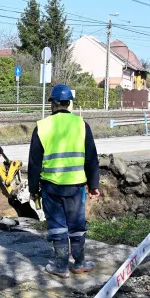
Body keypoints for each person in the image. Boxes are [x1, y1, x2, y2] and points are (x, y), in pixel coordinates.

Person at [28, 84, 101, 277]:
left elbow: (34, 164)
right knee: (76, 224)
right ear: (69, 103)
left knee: (57, 225)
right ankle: (79, 263)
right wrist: (93, 185)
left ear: (52, 103)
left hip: (51, 187)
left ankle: (61, 266)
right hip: (75, 187)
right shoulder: (81, 125)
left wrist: (33, 189)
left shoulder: (41, 127)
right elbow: (91, 158)